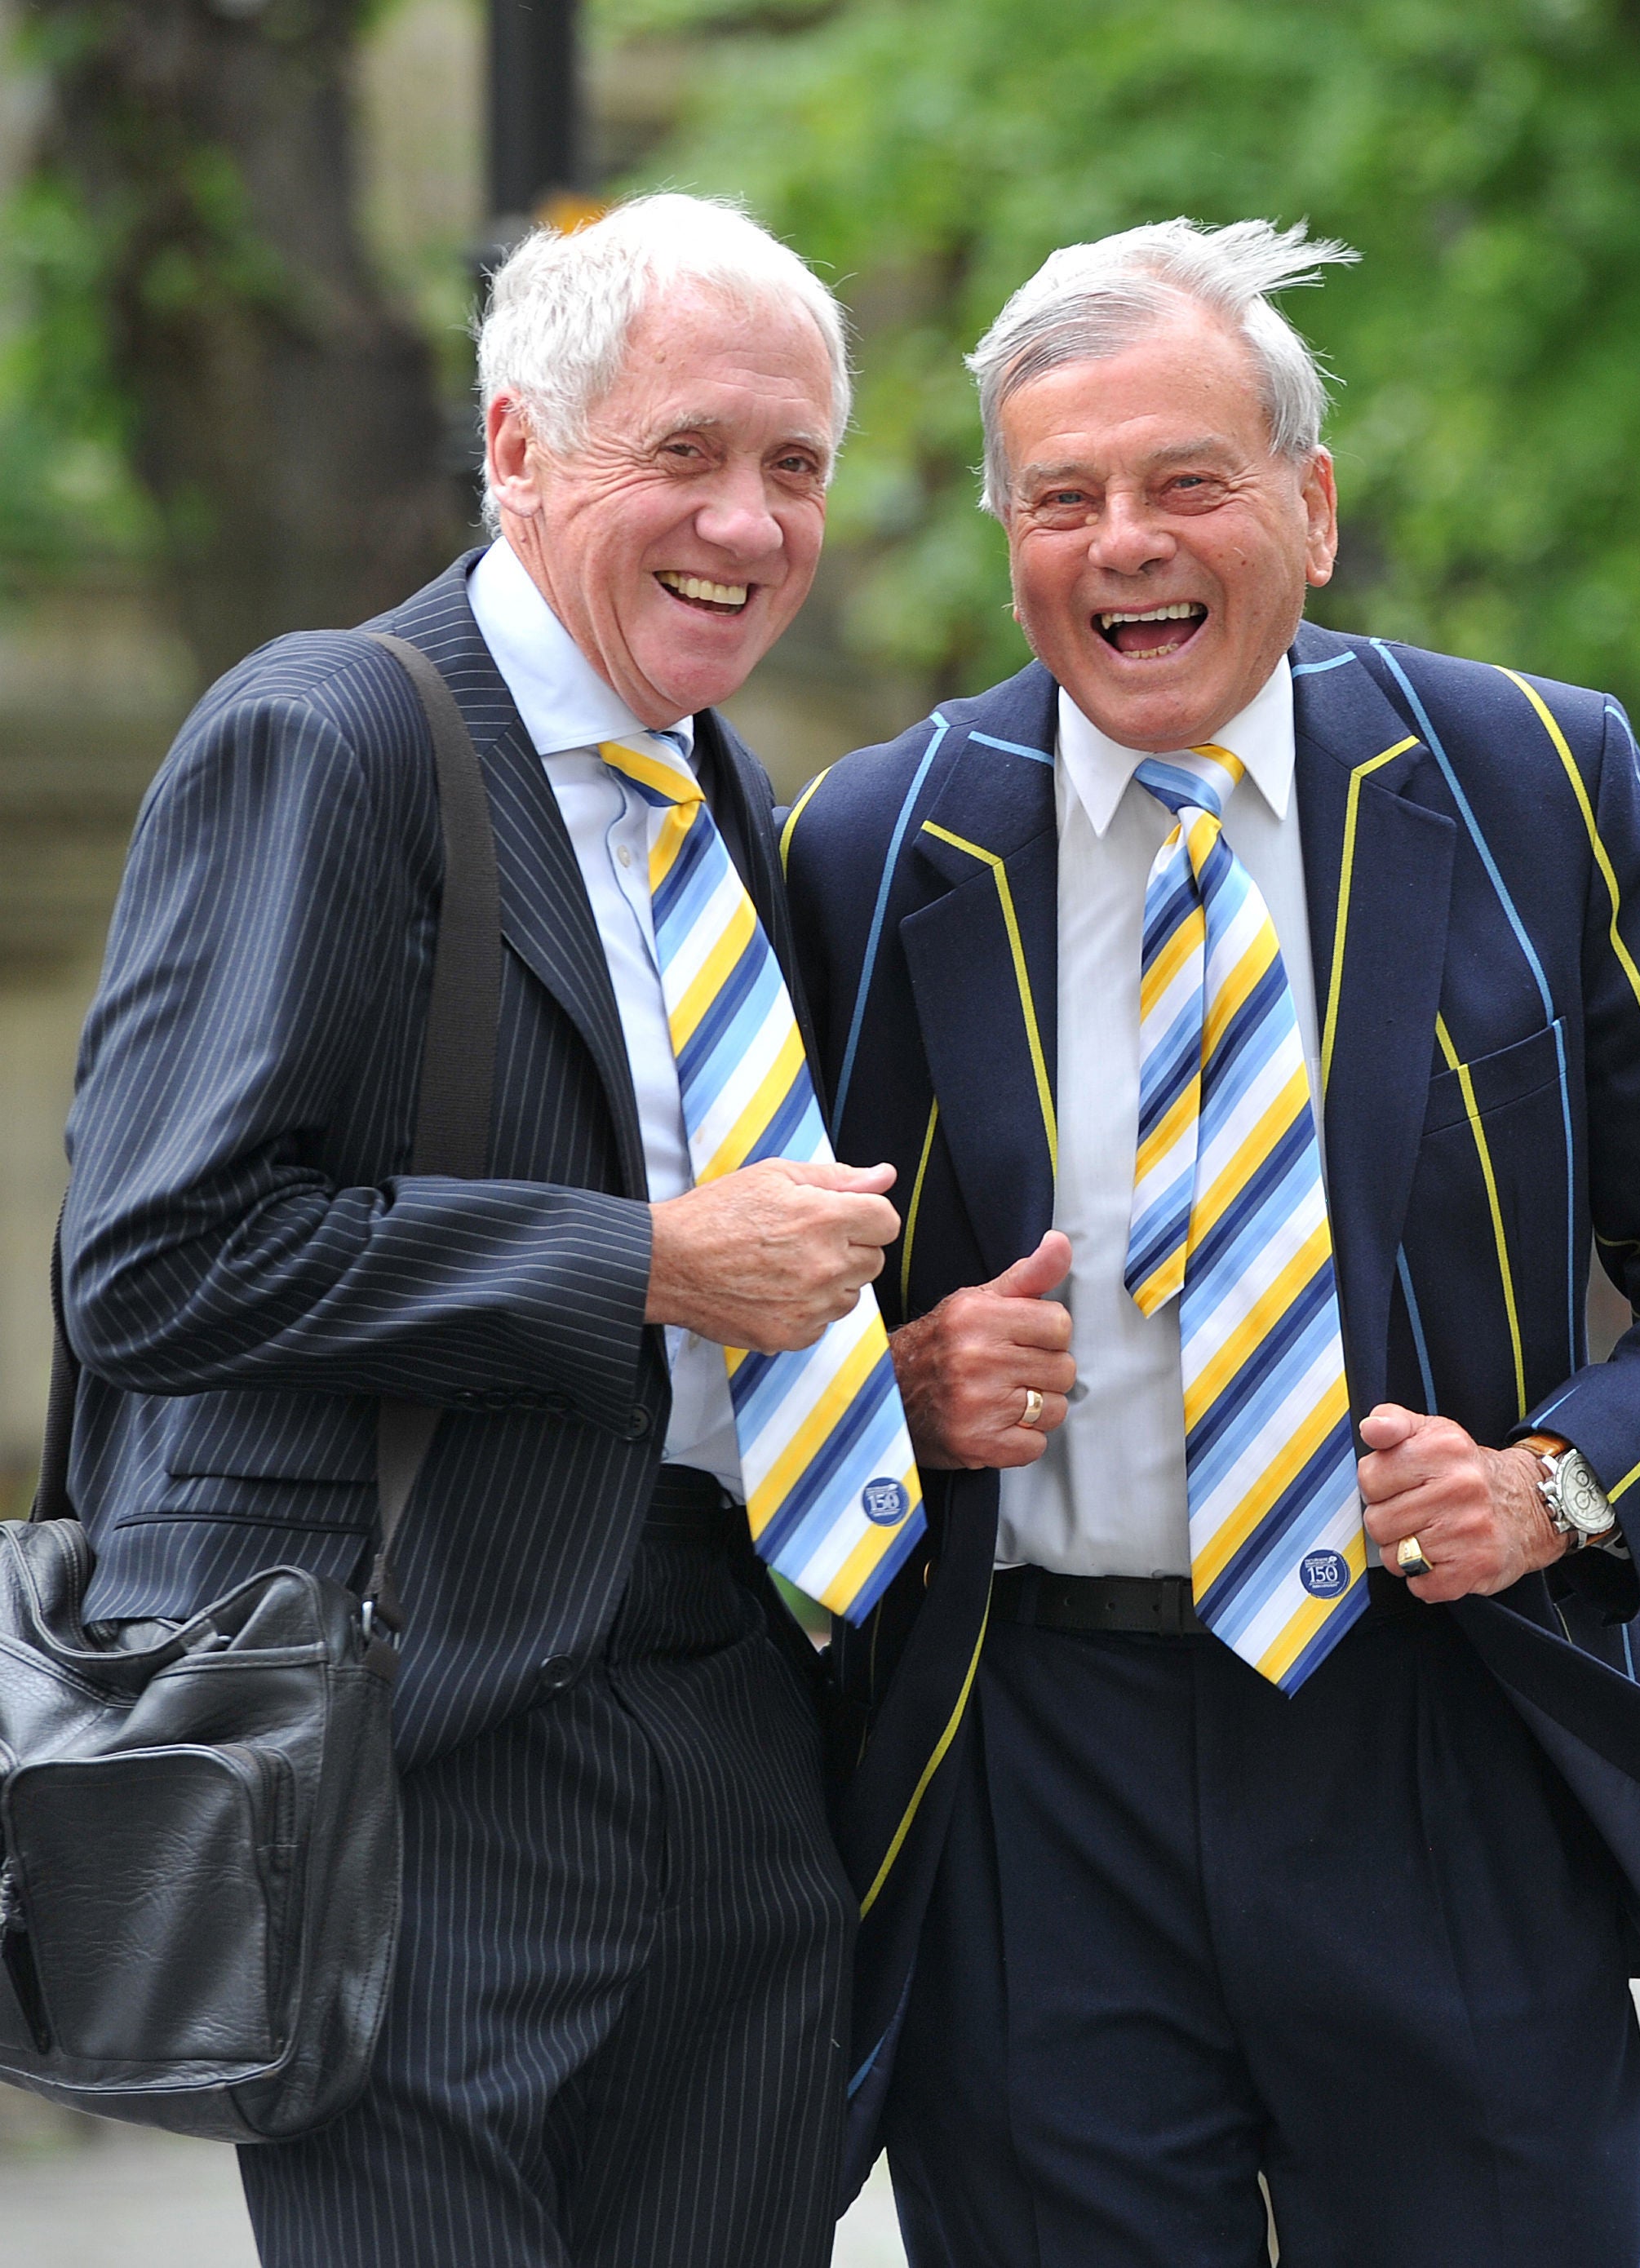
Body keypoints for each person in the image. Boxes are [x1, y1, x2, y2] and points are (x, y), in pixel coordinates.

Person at [782, 218, 1640, 2267]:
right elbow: (786, 1315)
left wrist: (1553, 1485)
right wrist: (897, 1388)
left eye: (1185, 481)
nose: (1123, 544)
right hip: (1036, 1773)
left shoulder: (1536, 776)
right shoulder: (882, 831)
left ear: (1310, 506)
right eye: (1061, 498)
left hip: (1435, 1737)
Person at [61, 193, 923, 2268]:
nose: (750, 522)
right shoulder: (331, 730)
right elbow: (157, 1260)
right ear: (521, 452)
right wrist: (643, 1264)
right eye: (689, 452)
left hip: (732, 1729)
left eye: (795, 466)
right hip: (417, 1749)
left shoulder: (722, 785)